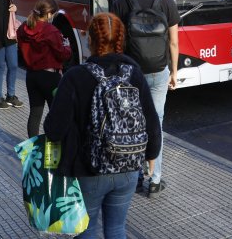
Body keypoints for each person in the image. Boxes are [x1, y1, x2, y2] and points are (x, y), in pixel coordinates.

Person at [44, 13, 161, 239]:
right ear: (121, 39)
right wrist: (151, 157)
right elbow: (151, 120)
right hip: (128, 165)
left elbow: (54, 129)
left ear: (90, 40)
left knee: (87, 229)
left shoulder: (75, 76)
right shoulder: (133, 73)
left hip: (89, 169)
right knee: (117, 228)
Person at [110, 0, 179, 196]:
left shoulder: (121, 4)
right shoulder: (166, 3)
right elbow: (173, 42)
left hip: (131, 73)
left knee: (133, 122)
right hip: (160, 72)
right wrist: (175, 73)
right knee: (155, 124)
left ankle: (137, 175)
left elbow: (115, 42)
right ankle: (155, 179)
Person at [16, 0, 71, 138]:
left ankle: (33, 149)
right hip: (50, 77)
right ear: (48, 14)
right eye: (52, 14)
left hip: (31, 76)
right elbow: (62, 54)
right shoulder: (51, 31)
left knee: (35, 113)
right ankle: (54, 145)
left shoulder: (23, 27)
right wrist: (67, 47)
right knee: (56, 112)